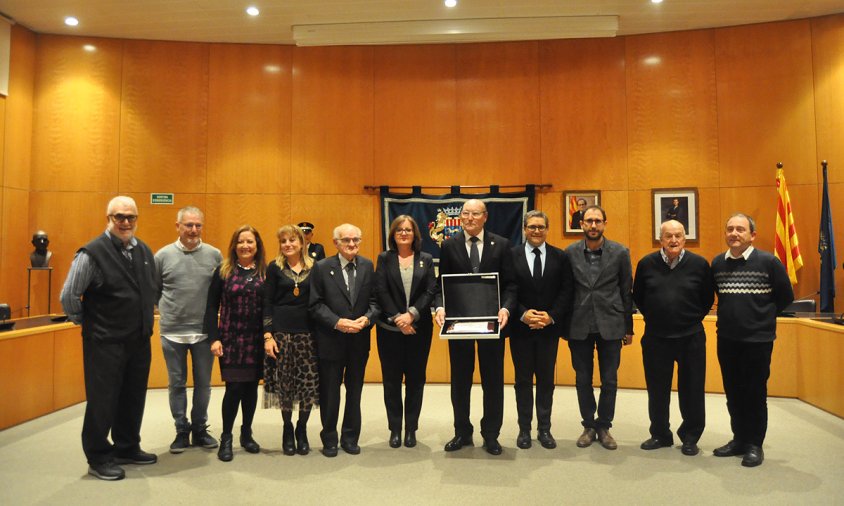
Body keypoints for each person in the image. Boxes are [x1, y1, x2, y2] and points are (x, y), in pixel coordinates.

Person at [60, 196, 158, 481]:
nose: (126, 223)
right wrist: (89, 322)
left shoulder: (143, 250)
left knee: (132, 396)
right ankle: (99, 456)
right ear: (109, 218)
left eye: (131, 217)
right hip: (104, 342)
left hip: (138, 340)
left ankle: (127, 447)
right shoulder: (91, 253)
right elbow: (68, 296)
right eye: (119, 217)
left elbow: (149, 289)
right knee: (102, 400)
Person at [434, 199, 516, 456]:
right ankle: (462, 432)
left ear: (485, 216)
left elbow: (512, 285)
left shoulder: (502, 244)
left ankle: (491, 435)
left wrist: (506, 308)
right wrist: (439, 307)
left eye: (474, 213)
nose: (469, 218)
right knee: (460, 381)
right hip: (460, 324)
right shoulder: (449, 245)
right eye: (465, 213)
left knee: (493, 381)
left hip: (493, 324)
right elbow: (441, 286)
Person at [710, 213, 793, 467]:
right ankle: (739, 439)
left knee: (755, 393)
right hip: (727, 339)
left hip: (758, 340)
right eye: (730, 229)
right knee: (733, 393)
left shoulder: (769, 262)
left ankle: (755, 444)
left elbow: (785, 298)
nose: (734, 233)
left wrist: (760, 317)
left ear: (752, 235)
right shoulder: (717, 263)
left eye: (740, 229)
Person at [633, 220, 713, 457]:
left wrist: (688, 318)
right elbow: (639, 297)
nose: (674, 240)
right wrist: (659, 317)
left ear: (685, 239)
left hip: (691, 338)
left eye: (678, 235)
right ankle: (660, 434)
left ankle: (690, 436)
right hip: (657, 337)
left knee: (693, 389)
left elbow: (707, 298)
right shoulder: (646, 264)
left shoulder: (699, 264)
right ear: (661, 240)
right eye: (669, 236)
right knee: (657, 389)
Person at [564, 205, 633, 450]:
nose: (593, 225)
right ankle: (588, 425)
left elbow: (626, 291)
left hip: (611, 324)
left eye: (598, 221)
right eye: (589, 221)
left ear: (605, 223)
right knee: (582, 379)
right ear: (581, 224)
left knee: (609, 380)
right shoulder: (569, 253)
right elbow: (565, 291)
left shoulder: (620, 252)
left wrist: (629, 328)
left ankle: (604, 426)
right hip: (578, 324)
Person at [154, 206, 222, 454]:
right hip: (172, 332)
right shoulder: (162, 256)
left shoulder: (215, 255)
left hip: (204, 333)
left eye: (198, 225)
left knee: (204, 384)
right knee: (177, 384)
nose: (193, 230)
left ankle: (200, 428)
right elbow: (155, 291)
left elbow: (219, 293)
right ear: (178, 226)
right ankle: (181, 430)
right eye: (188, 225)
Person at [309, 223, 379, 457]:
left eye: (356, 240)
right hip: (331, 340)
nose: (352, 245)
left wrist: (367, 320)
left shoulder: (368, 266)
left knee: (354, 391)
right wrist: (338, 322)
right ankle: (329, 437)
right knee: (330, 392)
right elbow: (315, 304)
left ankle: (350, 437)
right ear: (335, 243)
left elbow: (375, 302)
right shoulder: (321, 267)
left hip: (359, 340)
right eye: (346, 240)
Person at [509, 210, 572, 450]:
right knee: (523, 381)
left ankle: (544, 429)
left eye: (541, 227)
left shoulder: (560, 256)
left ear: (547, 229)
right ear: (524, 229)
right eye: (532, 227)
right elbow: (507, 289)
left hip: (548, 330)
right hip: (520, 329)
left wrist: (551, 316)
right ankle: (524, 429)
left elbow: (567, 291)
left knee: (546, 381)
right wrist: (523, 314)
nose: (536, 231)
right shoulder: (511, 256)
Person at [204, 225, 267, 462]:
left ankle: (246, 434)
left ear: (257, 245)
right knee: (234, 389)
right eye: (241, 241)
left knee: (251, 388)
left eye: (250, 241)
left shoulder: (264, 272)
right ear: (234, 245)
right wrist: (214, 338)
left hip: (256, 339)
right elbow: (211, 307)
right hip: (231, 338)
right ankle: (226, 437)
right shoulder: (223, 271)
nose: (245, 246)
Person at [374, 215, 437, 449]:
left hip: (419, 329)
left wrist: (411, 314)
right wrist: (399, 319)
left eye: (408, 229)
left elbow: (431, 290)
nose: (403, 233)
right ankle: (395, 429)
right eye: (399, 229)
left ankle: (411, 429)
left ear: (415, 234)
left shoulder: (426, 259)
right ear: (393, 234)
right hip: (390, 330)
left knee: (415, 381)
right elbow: (380, 291)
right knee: (391, 381)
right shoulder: (384, 258)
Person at [262, 224, 319, 456]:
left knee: (308, 385)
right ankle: (287, 429)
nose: (288, 245)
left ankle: (302, 429)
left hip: (308, 334)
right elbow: (267, 303)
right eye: (283, 241)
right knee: (285, 386)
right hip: (281, 335)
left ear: (302, 242)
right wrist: (267, 336)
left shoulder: (316, 267)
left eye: (292, 240)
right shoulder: (274, 268)